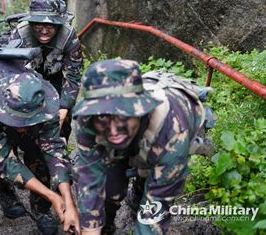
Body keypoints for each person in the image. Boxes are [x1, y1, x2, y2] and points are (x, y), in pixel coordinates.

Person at [71, 59, 214, 234]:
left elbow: (156, 211)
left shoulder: (173, 132)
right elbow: (90, 180)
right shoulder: (87, 120)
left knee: (149, 193)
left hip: (165, 140)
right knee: (109, 192)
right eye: (102, 117)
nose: (114, 130)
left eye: (123, 115)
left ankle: (139, 191)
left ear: (140, 109)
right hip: (134, 141)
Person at [0, 58, 79, 234]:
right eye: (17, 121)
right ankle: (4, 190)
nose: (21, 128)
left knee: (40, 161)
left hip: (17, 105)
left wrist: (68, 201)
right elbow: (4, 159)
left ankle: (40, 210)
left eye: (27, 121)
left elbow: (53, 148)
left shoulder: (44, 100)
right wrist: (53, 196)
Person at [10, 0, 83, 141]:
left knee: (62, 118)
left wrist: (64, 107)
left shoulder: (68, 36)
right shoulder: (20, 34)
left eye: (50, 26)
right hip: (27, 78)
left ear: (58, 25)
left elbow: (73, 73)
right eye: (38, 25)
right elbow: (12, 71)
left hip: (56, 77)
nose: (44, 31)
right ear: (30, 24)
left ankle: (59, 147)